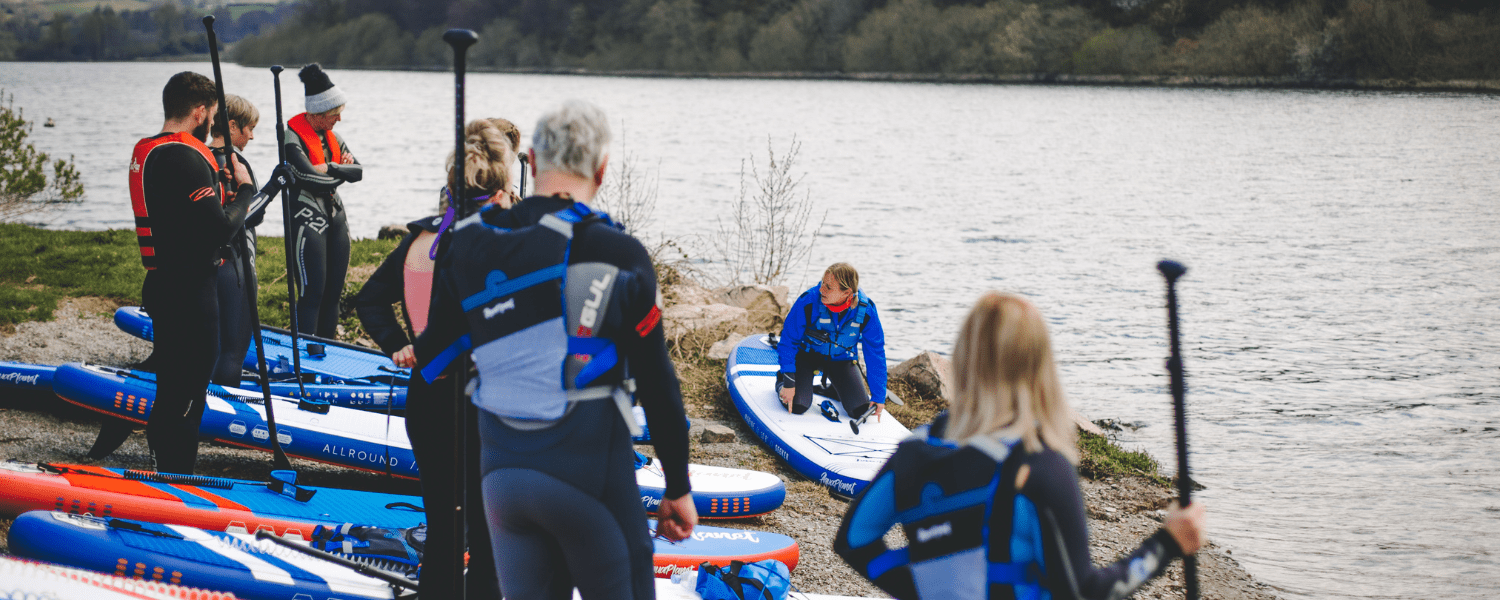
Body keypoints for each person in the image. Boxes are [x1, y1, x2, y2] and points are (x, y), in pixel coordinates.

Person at [414, 100, 695, 600]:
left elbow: (434, 362)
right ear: (603, 170)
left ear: (534, 163)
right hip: (589, 477)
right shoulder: (619, 252)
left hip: (502, 480)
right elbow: (657, 381)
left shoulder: (470, 241)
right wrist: (677, 486)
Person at [833, 292, 1207, 599]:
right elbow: (1081, 593)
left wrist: (919, 587)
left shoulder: (915, 453)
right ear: (1039, 367)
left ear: (964, 361)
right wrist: (1167, 545)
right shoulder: (1041, 466)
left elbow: (854, 541)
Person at [352, 117, 521, 600]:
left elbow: (370, 300)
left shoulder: (422, 238)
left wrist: (402, 346)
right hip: (481, 403)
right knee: (492, 536)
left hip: (426, 400)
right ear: (504, 185)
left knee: (446, 535)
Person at [128, 72, 255, 474]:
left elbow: (189, 215)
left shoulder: (150, 150)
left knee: (172, 385)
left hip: (163, 282)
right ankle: (177, 474)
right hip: (190, 291)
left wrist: (220, 197)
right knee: (189, 390)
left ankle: (166, 465)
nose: (212, 123)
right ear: (200, 112)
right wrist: (246, 192)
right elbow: (219, 229)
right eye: (212, 114)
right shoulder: (186, 156)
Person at [285, 63, 361, 338]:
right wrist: (340, 169)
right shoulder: (292, 139)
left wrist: (331, 168)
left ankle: (328, 354)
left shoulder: (333, 137)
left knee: (333, 294)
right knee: (312, 293)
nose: (339, 119)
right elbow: (311, 180)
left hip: (336, 218)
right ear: (318, 113)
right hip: (307, 220)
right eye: (335, 114)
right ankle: (305, 359)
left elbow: (359, 172)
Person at [776, 262, 888, 422]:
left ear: (847, 292)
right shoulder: (808, 301)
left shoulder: (867, 311)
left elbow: (875, 353)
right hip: (806, 356)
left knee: (860, 411)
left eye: (828, 287)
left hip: (841, 359)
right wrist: (788, 381)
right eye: (823, 283)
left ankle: (833, 389)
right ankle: (780, 381)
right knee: (798, 405)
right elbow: (788, 341)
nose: (821, 289)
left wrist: (879, 395)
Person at [207, 94, 263, 387]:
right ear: (231, 125)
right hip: (236, 267)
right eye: (248, 128)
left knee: (210, 348)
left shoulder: (200, 156)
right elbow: (252, 215)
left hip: (207, 266)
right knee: (233, 351)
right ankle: (225, 419)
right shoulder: (236, 162)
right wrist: (273, 185)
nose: (252, 136)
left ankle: (199, 408)